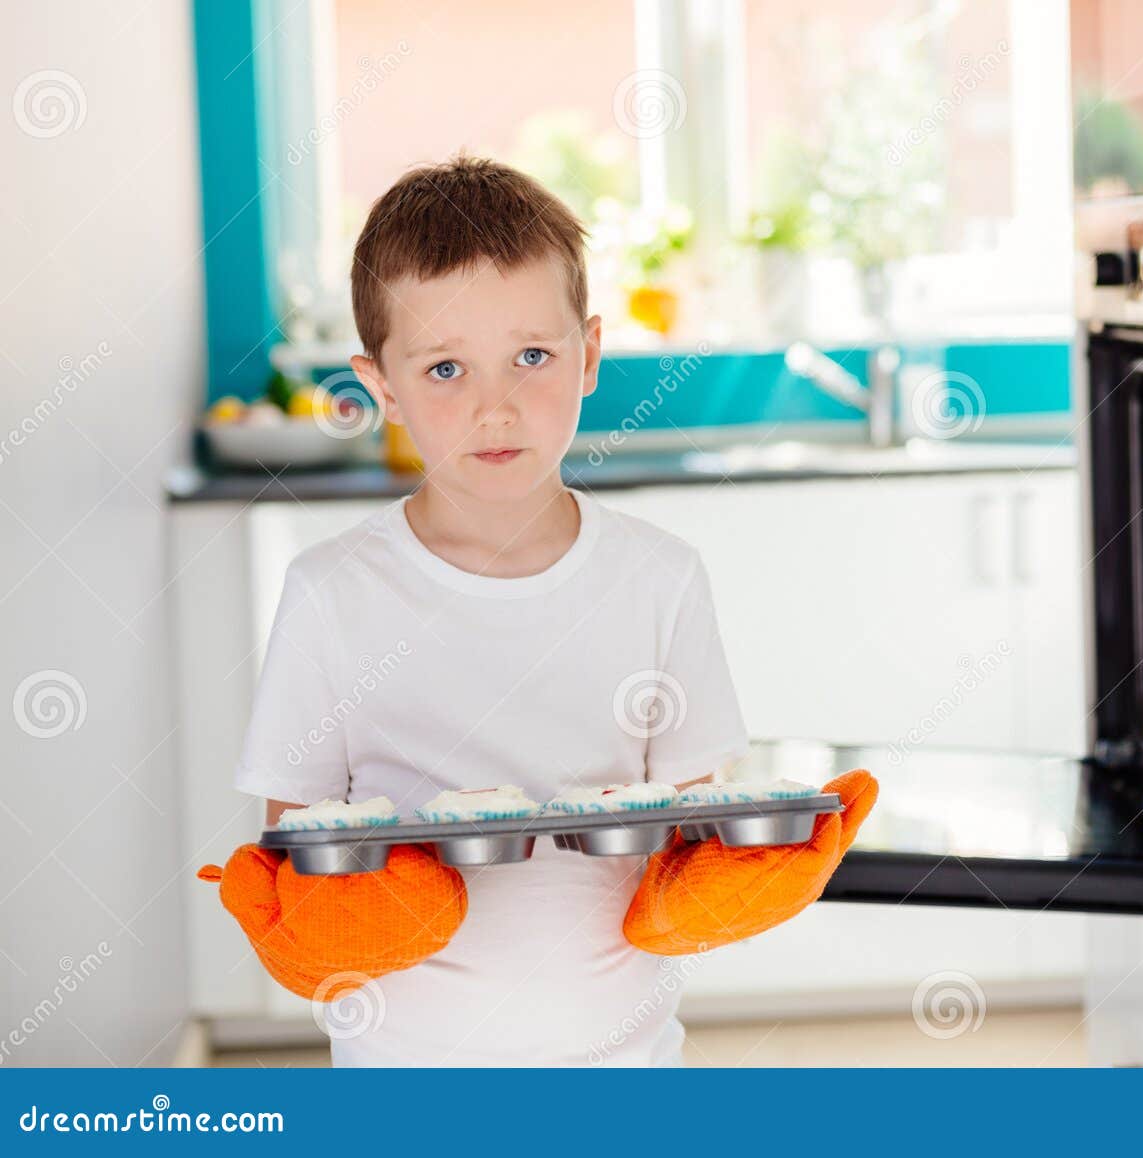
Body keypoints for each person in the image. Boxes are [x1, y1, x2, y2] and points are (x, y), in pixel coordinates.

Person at [196, 155, 876, 1067]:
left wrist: (745, 874)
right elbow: (299, 849)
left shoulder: (660, 578)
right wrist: (340, 920)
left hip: (626, 1068)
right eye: (445, 368)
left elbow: (694, 834)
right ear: (381, 387)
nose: (496, 407)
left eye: (531, 357)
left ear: (589, 355)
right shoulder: (332, 593)